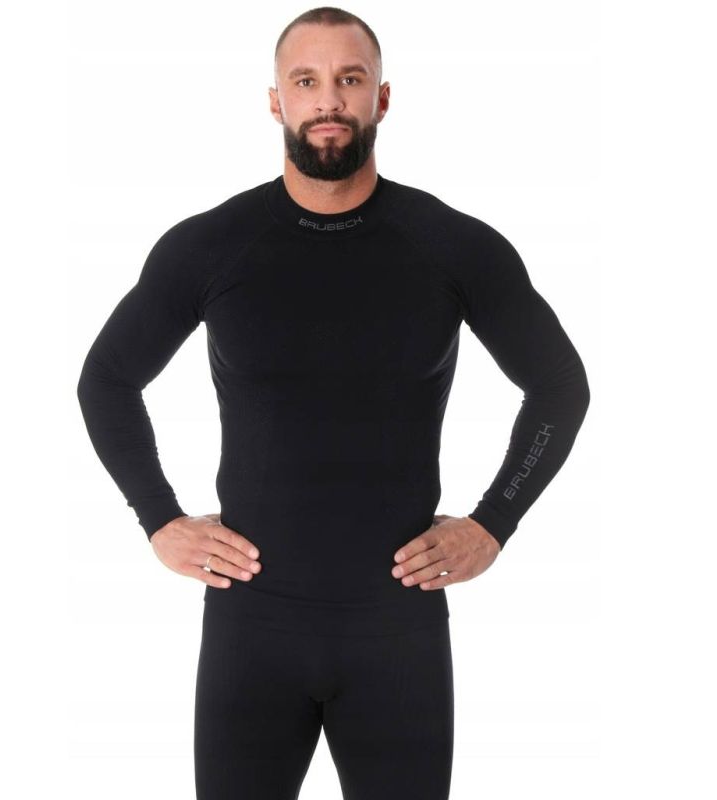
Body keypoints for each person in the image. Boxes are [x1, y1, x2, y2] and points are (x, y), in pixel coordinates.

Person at [76, 6, 590, 799]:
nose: (328, 100)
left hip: (399, 633)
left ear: (381, 98)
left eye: (349, 79)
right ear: (275, 100)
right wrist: (158, 518)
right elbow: (107, 380)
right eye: (306, 81)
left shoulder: (452, 245)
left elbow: (559, 386)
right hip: (252, 629)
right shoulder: (212, 245)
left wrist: (494, 523)